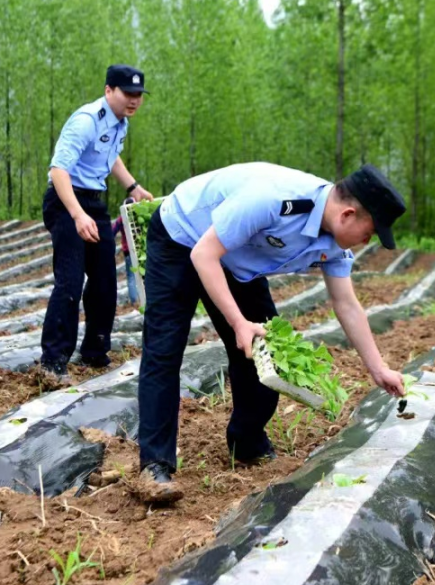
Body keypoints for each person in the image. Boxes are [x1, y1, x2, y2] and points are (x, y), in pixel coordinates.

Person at [135, 162, 408, 502]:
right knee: (165, 347)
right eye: (370, 233)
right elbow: (204, 254)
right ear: (347, 214)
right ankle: (155, 466)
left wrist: (378, 368)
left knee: (265, 351)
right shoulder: (272, 199)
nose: (368, 241)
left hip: (236, 257)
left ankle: (246, 443)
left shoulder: (337, 244)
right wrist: (238, 321)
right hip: (183, 236)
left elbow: (346, 304)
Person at [40, 64, 154, 377]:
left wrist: (132, 186)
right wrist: (77, 215)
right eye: (127, 93)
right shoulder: (86, 120)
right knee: (70, 280)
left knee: (104, 280)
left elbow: (110, 156)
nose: (134, 100)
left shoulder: (121, 123)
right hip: (66, 200)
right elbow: (58, 171)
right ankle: (53, 360)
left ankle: (94, 351)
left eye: (138, 94)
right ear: (108, 90)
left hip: (93, 200)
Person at [112, 198, 140, 307]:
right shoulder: (139, 215)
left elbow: (112, 232)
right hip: (140, 248)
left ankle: (135, 301)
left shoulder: (121, 219)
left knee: (131, 277)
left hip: (128, 250)